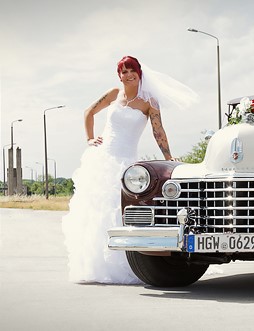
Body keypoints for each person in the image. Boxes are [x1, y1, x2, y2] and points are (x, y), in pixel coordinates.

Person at [62, 56, 197, 284]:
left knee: (120, 211)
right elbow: (88, 112)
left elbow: (158, 131)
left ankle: (128, 265)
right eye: (123, 71)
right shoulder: (114, 94)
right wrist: (90, 139)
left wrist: (168, 157)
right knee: (96, 212)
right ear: (119, 75)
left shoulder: (149, 101)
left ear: (139, 73)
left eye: (131, 70)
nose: (127, 75)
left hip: (126, 164)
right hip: (102, 159)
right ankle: (97, 266)